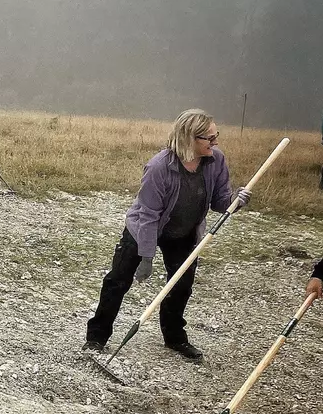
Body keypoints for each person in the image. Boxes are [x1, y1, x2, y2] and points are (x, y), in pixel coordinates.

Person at [84, 109, 252, 360]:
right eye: (209, 138)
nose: (215, 143)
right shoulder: (158, 167)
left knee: (181, 285)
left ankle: (174, 338)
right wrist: (146, 257)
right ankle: (96, 338)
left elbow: (220, 202)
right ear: (189, 138)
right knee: (117, 282)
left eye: (216, 136)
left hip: (184, 232)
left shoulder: (216, 160)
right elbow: (149, 215)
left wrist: (236, 201)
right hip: (144, 228)